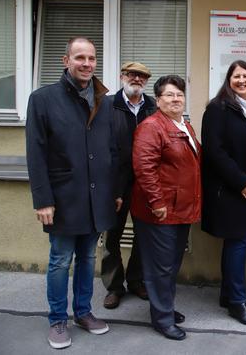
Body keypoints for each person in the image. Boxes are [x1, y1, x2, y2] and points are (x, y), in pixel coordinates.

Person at [26, 37, 117, 349]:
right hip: (63, 198)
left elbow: (111, 150)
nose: (87, 64)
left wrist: (114, 192)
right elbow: (35, 154)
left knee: (88, 257)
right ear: (66, 61)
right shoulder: (43, 99)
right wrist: (43, 199)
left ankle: (83, 312)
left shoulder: (104, 100)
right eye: (80, 57)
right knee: (60, 260)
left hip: (96, 199)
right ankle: (57, 320)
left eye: (91, 58)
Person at [202, 60, 246, 327]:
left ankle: (226, 294)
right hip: (233, 188)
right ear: (228, 80)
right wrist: (241, 181)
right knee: (238, 242)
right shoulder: (218, 108)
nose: (241, 81)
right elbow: (214, 151)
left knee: (237, 242)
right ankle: (237, 302)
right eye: (236, 76)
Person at [131, 75, 202, 341]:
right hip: (160, 211)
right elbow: (144, 168)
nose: (176, 99)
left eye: (179, 95)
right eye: (169, 95)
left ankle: (166, 308)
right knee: (160, 266)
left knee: (171, 264)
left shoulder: (185, 126)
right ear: (158, 100)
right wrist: (157, 202)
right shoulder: (151, 127)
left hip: (180, 208)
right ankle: (162, 319)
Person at [101, 61, 156, 309]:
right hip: (116, 182)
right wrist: (112, 189)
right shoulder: (107, 105)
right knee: (112, 236)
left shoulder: (153, 107)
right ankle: (114, 286)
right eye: (132, 75)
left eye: (142, 77)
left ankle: (136, 280)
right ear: (122, 76)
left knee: (144, 235)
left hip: (144, 182)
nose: (137, 79)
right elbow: (102, 149)